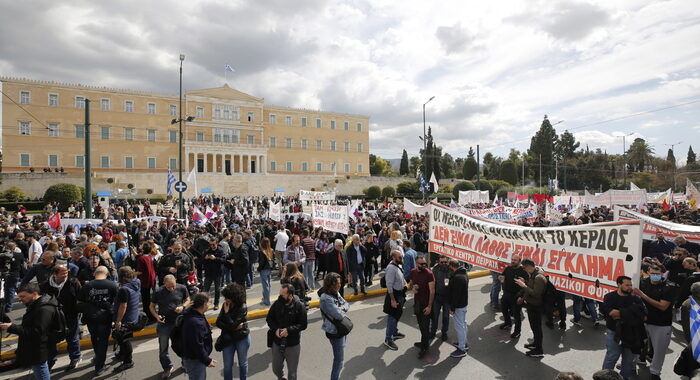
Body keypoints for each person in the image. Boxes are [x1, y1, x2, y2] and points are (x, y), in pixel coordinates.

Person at [0, 283, 61, 380]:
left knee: (41, 370)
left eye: (23, 296)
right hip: (35, 348)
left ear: (34, 294)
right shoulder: (37, 304)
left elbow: (37, 333)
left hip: (38, 350)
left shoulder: (43, 309)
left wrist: (12, 327)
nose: (20, 299)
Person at [600, 275, 646, 380]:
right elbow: (613, 314)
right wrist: (632, 312)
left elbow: (643, 315)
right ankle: (604, 378)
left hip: (631, 334)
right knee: (612, 357)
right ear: (619, 285)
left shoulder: (635, 298)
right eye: (627, 285)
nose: (630, 287)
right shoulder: (609, 297)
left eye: (630, 285)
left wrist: (622, 312)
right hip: (614, 333)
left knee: (628, 360)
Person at [633, 264, 674, 380]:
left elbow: (662, 306)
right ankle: (631, 364)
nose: (655, 276)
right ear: (648, 272)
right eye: (652, 273)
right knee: (636, 344)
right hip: (643, 321)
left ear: (662, 274)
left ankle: (655, 372)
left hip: (661, 324)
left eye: (657, 274)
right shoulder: (643, 282)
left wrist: (642, 295)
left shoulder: (669, 287)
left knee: (659, 351)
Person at [40, 264, 83, 372]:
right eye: (63, 273)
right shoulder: (45, 285)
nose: (65, 275)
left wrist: (79, 309)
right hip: (52, 318)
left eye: (66, 273)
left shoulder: (73, 282)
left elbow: (80, 297)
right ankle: (51, 360)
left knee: (72, 338)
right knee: (51, 340)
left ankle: (75, 358)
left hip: (70, 315)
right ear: (54, 274)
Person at [78, 265, 118, 375]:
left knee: (94, 338)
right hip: (105, 318)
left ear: (95, 273)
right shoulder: (112, 285)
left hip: (91, 318)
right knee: (103, 341)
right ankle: (99, 365)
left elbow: (79, 303)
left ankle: (98, 358)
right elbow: (118, 303)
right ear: (107, 274)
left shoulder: (87, 286)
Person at [150, 274, 190, 379]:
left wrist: (183, 307)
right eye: (168, 287)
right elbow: (151, 306)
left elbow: (188, 299)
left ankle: (185, 364)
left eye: (173, 286)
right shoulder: (158, 291)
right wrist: (156, 316)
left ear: (175, 281)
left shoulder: (182, 287)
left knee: (183, 345)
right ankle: (167, 368)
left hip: (179, 322)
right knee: (163, 348)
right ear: (164, 284)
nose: (171, 288)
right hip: (164, 324)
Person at [266, 283, 308, 380]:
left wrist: (289, 330)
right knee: (276, 368)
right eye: (280, 294)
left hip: (293, 344)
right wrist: (276, 329)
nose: (280, 296)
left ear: (290, 295)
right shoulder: (277, 304)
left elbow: (303, 324)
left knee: (292, 374)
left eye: (283, 295)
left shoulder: (299, 306)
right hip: (277, 342)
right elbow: (269, 319)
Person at [216, 283, 251, 380]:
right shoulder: (226, 305)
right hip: (228, 339)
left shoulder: (242, 307)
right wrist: (232, 326)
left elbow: (232, 325)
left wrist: (227, 314)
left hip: (241, 338)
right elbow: (218, 322)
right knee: (227, 366)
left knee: (243, 363)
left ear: (234, 297)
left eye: (227, 297)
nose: (225, 300)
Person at [319, 272, 350, 380]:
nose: (340, 285)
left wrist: (342, 308)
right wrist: (341, 309)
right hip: (335, 331)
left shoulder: (335, 293)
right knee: (339, 361)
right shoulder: (326, 298)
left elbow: (346, 304)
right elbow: (339, 315)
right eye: (338, 283)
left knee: (340, 359)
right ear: (331, 284)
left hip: (340, 329)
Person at [112, 266, 142, 372]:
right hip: (133, 316)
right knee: (123, 339)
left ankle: (128, 361)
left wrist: (118, 321)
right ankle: (121, 354)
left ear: (123, 277)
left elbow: (123, 306)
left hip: (126, 319)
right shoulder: (137, 282)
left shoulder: (124, 289)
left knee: (124, 340)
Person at [514, 258, 546, 358]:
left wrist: (523, 285)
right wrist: (525, 283)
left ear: (528, 266)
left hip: (536, 306)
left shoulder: (538, 277)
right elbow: (531, 288)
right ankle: (535, 344)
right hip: (531, 305)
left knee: (537, 328)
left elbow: (536, 294)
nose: (523, 269)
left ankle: (539, 350)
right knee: (533, 326)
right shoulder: (532, 275)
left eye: (524, 267)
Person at [182, 292, 217, 379]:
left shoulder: (194, 313)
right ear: (204, 304)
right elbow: (197, 345)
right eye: (209, 302)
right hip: (195, 360)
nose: (209, 305)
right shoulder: (196, 322)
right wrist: (207, 360)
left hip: (195, 358)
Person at [407, 255, 435, 358]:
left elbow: (432, 291)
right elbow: (410, 284)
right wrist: (412, 289)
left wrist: (429, 306)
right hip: (417, 303)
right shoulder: (413, 272)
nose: (423, 265)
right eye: (421, 264)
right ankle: (424, 342)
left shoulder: (429, 273)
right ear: (416, 263)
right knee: (420, 325)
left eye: (424, 264)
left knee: (425, 326)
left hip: (426, 304)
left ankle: (424, 347)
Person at [499, 254, 528, 338]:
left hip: (517, 296)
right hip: (506, 294)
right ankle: (507, 323)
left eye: (515, 260)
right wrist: (501, 277)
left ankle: (517, 332)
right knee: (504, 309)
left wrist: (522, 297)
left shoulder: (523, 271)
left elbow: (527, 284)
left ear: (519, 261)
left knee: (516, 315)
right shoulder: (508, 268)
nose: (512, 261)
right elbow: (502, 276)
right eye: (512, 259)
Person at [383, 249, 407, 350]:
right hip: (394, 296)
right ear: (393, 258)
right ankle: (388, 339)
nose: (401, 259)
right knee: (392, 318)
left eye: (401, 256)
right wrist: (393, 300)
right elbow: (389, 285)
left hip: (400, 295)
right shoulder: (391, 268)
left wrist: (405, 283)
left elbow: (401, 278)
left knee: (397, 315)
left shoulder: (399, 265)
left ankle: (395, 332)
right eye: (399, 257)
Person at [447, 258, 469, 358]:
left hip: (459, 306)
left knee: (459, 327)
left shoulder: (457, 278)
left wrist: (452, 308)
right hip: (463, 304)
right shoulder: (464, 274)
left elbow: (455, 295)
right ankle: (464, 343)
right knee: (463, 324)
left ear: (451, 266)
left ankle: (461, 349)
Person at [430, 255, 451, 341]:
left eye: (445, 262)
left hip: (447, 298)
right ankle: (432, 332)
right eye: (442, 262)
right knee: (435, 316)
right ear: (439, 262)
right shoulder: (435, 269)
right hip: (437, 297)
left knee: (446, 317)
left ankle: (444, 332)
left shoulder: (450, 270)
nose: (443, 264)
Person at [136, 242, 157, 321]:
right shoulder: (148, 257)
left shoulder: (141, 259)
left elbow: (140, 271)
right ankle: (150, 314)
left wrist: (130, 273)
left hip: (144, 281)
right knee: (148, 299)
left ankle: (148, 316)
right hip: (150, 280)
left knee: (145, 300)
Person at [202, 237, 225, 309]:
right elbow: (201, 261)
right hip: (209, 273)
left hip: (217, 273)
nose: (212, 246)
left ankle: (216, 304)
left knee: (217, 289)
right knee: (205, 289)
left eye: (213, 244)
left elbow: (223, 260)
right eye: (211, 244)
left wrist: (215, 258)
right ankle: (204, 303)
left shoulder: (220, 251)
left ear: (217, 243)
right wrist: (205, 258)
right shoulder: (207, 251)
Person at [258, 237, 275, 306]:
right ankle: (265, 298)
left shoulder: (262, 251)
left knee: (265, 286)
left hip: (264, 269)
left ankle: (266, 301)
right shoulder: (271, 250)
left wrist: (259, 269)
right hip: (269, 269)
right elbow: (273, 260)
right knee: (268, 285)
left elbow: (261, 262)